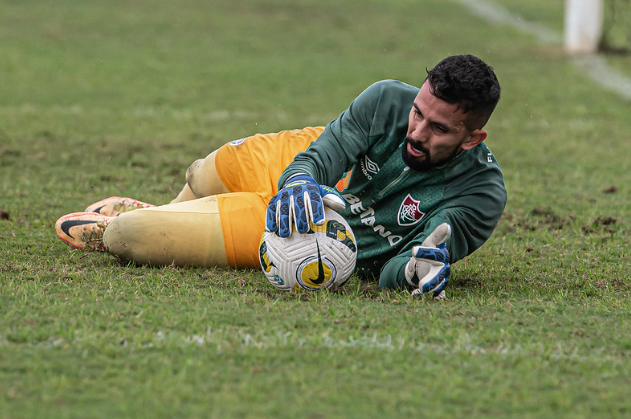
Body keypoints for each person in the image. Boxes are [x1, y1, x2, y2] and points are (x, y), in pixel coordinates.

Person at [55, 54, 506, 298]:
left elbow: (399, 266)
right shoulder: (387, 98)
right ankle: (172, 208)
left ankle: (138, 220)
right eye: (418, 113)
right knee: (208, 170)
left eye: (439, 128)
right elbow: (320, 157)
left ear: (472, 137)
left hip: (309, 231)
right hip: (306, 182)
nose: (417, 131)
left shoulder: (481, 195)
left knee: (128, 238)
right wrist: (298, 184)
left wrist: (411, 273)